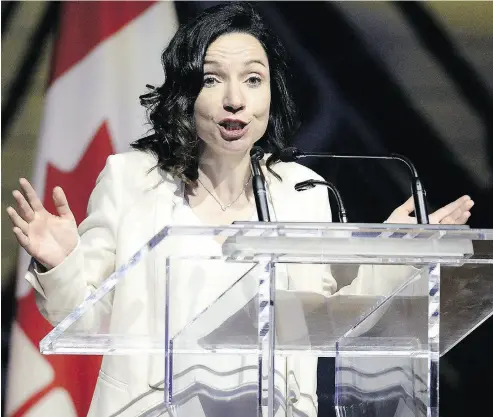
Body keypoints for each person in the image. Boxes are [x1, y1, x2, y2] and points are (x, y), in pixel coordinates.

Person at [7, 3, 474, 417]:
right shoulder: (131, 182)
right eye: (213, 79)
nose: (236, 98)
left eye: (253, 79)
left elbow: (339, 315)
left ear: (272, 93)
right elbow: (86, 319)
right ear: (186, 91)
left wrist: (394, 253)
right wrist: (62, 260)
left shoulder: (304, 193)